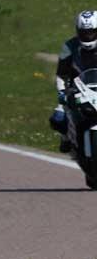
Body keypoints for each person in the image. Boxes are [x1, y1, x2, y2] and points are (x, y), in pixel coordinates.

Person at [50, 10, 97, 152]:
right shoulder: (69, 47)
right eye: (84, 33)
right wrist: (62, 93)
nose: (88, 37)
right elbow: (61, 74)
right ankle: (66, 138)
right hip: (78, 90)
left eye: (92, 32)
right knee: (58, 118)